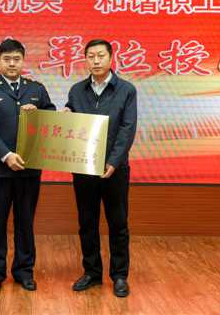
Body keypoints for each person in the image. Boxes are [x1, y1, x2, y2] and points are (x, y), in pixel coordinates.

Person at [0, 38, 56, 293]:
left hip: (30, 169)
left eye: (16, 59)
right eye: (7, 59)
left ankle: (24, 271)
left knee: (25, 223)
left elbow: (51, 119)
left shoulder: (36, 89)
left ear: (23, 61)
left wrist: (39, 113)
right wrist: (6, 155)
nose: (12, 64)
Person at [63, 38, 137, 298]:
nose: (95, 61)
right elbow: (71, 122)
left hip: (115, 169)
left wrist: (113, 162)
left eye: (100, 56)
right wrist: (66, 114)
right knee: (87, 222)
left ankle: (120, 276)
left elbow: (127, 129)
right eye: (91, 56)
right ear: (85, 60)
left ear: (111, 58)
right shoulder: (76, 91)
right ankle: (92, 272)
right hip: (84, 168)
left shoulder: (126, 90)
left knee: (118, 223)